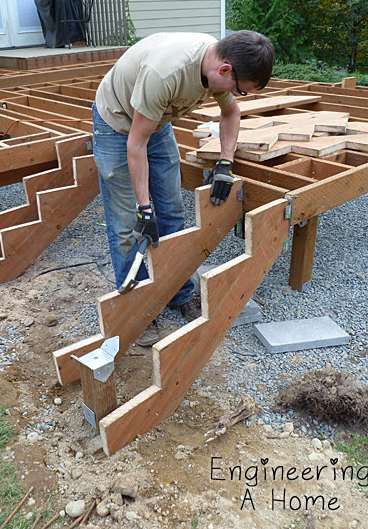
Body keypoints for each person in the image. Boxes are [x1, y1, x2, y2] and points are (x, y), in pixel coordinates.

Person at [92, 30, 274, 345]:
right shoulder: (166, 74)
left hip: (156, 122)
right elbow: (136, 144)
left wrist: (225, 164)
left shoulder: (217, 64)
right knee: (127, 225)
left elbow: (231, 113)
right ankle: (136, 309)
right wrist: (144, 209)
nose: (237, 95)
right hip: (117, 123)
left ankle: (178, 292)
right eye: (240, 90)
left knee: (173, 214)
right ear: (226, 70)